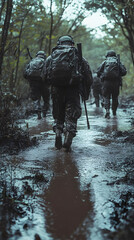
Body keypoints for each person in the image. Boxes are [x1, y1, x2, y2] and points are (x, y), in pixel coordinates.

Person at [46, 35, 93, 150]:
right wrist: (85, 93)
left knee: (58, 115)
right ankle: (68, 137)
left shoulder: (51, 57)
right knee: (72, 115)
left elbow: (44, 76)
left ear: (59, 43)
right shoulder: (79, 57)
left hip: (56, 90)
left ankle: (58, 131)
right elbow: (89, 78)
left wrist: (53, 85)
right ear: (72, 44)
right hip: (73, 90)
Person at [97, 50, 127, 118]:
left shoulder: (105, 62)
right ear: (114, 55)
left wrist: (101, 76)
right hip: (116, 82)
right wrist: (118, 74)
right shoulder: (118, 62)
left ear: (107, 55)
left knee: (106, 97)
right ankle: (114, 111)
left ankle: (107, 110)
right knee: (115, 97)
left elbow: (98, 71)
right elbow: (124, 72)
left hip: (106, 82)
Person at [24, 51, 50, 119]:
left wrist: (31, 80)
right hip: (44, 83)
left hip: (33, 84)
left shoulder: (32, 61)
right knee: (46, 99)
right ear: (44, 56)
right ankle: (44, 113)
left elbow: (25, 74)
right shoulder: (46, 61)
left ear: (37, 55)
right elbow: (49, 73)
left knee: (36, 99)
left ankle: (38, 114)